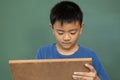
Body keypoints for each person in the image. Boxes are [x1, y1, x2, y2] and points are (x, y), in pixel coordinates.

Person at [36, 1, 109, 80]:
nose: (66, 38)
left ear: (81, 28)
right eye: (60, 33)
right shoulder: (43, 53)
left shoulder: (90, 55)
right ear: (52, 29)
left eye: (72, 32)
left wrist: (95, 79)